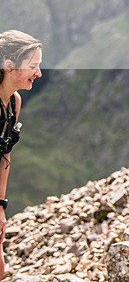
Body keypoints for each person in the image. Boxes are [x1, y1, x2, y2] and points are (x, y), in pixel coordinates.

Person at [0, 31, 43, 277]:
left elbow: (5, 155)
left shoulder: (14, 103)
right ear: (9, 66)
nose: (39, 73)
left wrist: (0, 208)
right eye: (33, 66)